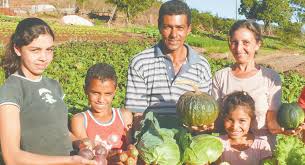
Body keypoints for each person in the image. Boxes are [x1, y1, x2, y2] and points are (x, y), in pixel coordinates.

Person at [0, 17, 96, 165]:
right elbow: (12, 157)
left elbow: (60, 131)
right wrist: (69, 161)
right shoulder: (11, 90)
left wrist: (79, 142)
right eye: (35, 50)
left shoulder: (53, 85)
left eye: (49, 50)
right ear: (17, 49)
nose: (44, 58)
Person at [125, 0, 212, 129]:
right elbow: (138, 114)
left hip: (190, 141)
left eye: (180, 28)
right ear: (159, 26)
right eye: (167, 27)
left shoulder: (202, 65)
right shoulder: (140, 63)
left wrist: (202, 128)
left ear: (189, 29)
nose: (173, 35)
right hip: (154, 141)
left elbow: (203, 113)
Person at [212, 19, 285, 149]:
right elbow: (217, 121)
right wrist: (200, 125)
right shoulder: (221, 77)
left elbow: (272, 122)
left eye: (246, 42)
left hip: (262, 151)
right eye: (234, 42)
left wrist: (286, 128)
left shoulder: (271, 78)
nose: (239, 48)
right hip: (227, 151)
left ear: (257, 44)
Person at [70, 63, 133, 150]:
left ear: (115, 91)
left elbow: (131, 148)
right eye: (95, 93)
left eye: (108, 94)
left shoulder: (124, 115)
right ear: (85, 90)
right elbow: (86, 153)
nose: (101, 99)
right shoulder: (80, 120)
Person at [217, 91, 272, 165]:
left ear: (251, 120)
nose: (235, 127)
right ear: (223, 118)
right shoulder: (218, 143)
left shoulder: (261, 146)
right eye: (230, 120)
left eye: (242, 120)